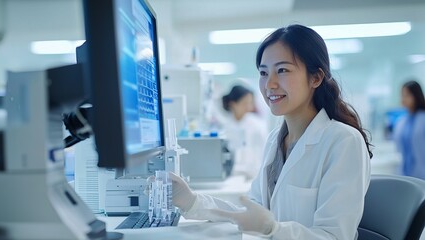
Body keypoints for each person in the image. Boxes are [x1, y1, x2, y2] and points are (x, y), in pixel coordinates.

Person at [168, 24, 372, 239]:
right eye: (264, 72)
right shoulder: (276, 139)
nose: (270, 84)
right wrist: (192, 202)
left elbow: (335, 235)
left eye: (282, 70)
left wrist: (272, 229)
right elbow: (252, 212)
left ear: (316, 78)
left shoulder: (343, 141)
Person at [221, 85, 268, 180]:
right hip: (231, 177)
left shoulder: (258, 125)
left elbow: (264, 154)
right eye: (245, 103)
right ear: (233, 104)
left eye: (250, 103)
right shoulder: (224, 127)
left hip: (254, 176)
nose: (249, 107)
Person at [393, 80, 425, 179]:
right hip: (405, 173)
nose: (403, 99)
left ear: (416, 95)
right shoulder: (402, 121)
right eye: (402, 95)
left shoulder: (422, 119)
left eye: (407, 95)